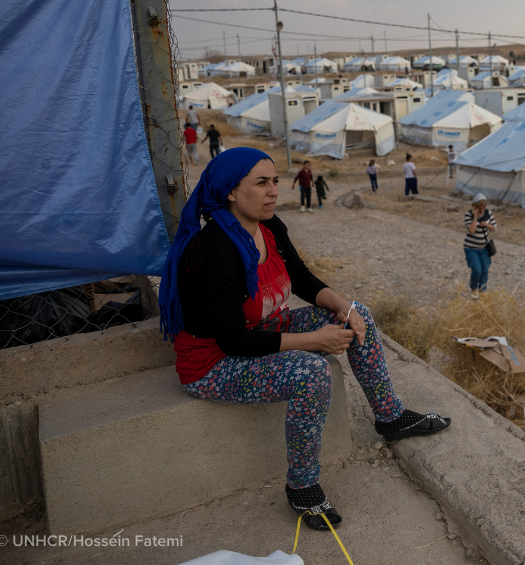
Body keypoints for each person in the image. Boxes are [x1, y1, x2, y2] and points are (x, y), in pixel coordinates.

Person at [159, 148, 450, 532]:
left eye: (275, 181)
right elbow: (232, 340)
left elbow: (302, 279)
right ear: (230, 191)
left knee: (357, 313)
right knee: (311, 372)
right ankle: (302, 484)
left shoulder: (269, 227)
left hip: (266, 330)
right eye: (261, 182)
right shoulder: (213, 249)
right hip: (214, 363)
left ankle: (390, 417)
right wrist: (313, 340)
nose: (273, 191)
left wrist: (345, 308)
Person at [463, 193, 496, 297]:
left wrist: (487, 225)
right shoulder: (468, 214)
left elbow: (494, 228)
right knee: (477, 270)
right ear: (474, 206)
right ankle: (473, 288)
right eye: (479, 208)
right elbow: (471, 230)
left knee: (485, 270)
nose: (482, 210)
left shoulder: (488, 213)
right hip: (471, 248)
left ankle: (482, 289)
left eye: (483, 207)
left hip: (485, 247)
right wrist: (475, 217)